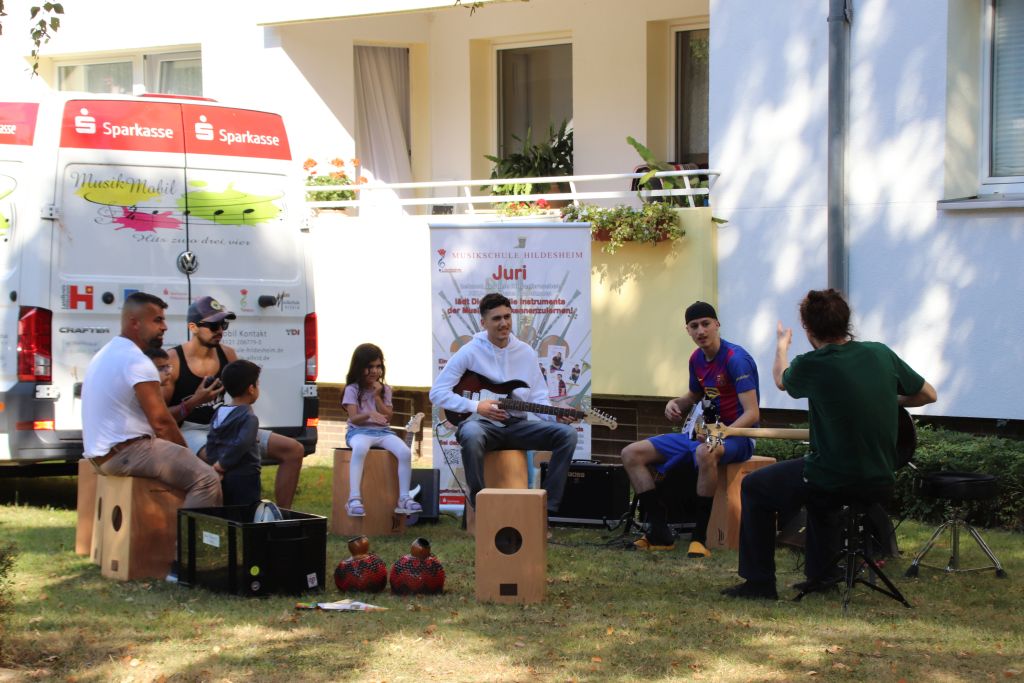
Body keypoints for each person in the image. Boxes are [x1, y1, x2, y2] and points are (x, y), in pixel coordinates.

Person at [722, 289, 937, 600]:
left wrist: (781, 346)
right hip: (880, 479)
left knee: (756, 487)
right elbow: (928, 394)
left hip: (833, 477)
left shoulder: (813, 362)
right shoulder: (880, 353)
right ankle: (822, 577)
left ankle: (759, 584)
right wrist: (887, 398)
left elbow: (781, 380)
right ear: (846, 321)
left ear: (808, 328)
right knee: (819, 491)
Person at [620, 301, 760, 556]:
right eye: (694, 326)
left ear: (717, 324)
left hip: (739, 436)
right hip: (704, 434)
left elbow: (752, 413)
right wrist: (675, 404)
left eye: (706, 324)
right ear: (688, 330)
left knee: (704, 452)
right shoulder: (696, 358)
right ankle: (659, 532)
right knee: (631, 453)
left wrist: (720, 433)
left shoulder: (736, 359)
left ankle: (699, 539)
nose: (701, 331)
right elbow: (694, 395)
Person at [429, 292, 579, 517]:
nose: (504, 323)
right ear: (483, 323)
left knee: (567, 435)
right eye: (496, 318)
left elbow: (538, 399)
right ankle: (480, 506)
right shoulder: (470, 351)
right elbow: (437, 393)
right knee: (470, 433)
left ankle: (546, 511)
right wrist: (476, 407)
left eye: (507, 317)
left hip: (517, 427)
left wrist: (555, 414)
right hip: (482, 427)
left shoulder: (526, 353)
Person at [81, 292, 222, 508]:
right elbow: (161, 422)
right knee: (207, 479)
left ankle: (175, 527)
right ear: (134, 323)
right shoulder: (138, 361)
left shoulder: (106, 352)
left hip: (102, 454)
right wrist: (191, 459)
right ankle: (188, 532)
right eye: (157, 320)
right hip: (126, 452)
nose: (164, 327)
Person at [164, 296, 305, 508]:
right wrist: (195, 401)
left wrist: (247, 425)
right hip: (191, 429)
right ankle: (232, 517)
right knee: (226, 457)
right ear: (193, 327)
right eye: (213, 325)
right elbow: (161, 417)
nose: (220, 330)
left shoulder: (228, 354)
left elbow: (243, 394)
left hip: (229, 424)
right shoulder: (174, 360)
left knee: (293, 449)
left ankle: (281, 517)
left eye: (223, 324)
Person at [342, 344, 421, 517]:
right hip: (358, 432)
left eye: (378, 366)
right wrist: (369, 414)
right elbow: (354, 418)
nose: (375, 371)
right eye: (370, 366)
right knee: (360, 448)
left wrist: (377, 397)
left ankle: (404, 498)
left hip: (383, 432)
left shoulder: (385, 389)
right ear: (359, 367)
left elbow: (388, 416)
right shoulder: (352, 389)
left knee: (404, 452)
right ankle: (353, 499)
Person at [205, 360, 263, 506]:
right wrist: (222, 465)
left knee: (227, 510)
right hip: (246, 476)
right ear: (251, 389)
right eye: (258, 384)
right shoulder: (249, 418)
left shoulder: (219, 412)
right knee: (246, 513)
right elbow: (242, 443)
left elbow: (211, 439)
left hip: (223, 476)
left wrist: (214, 464)